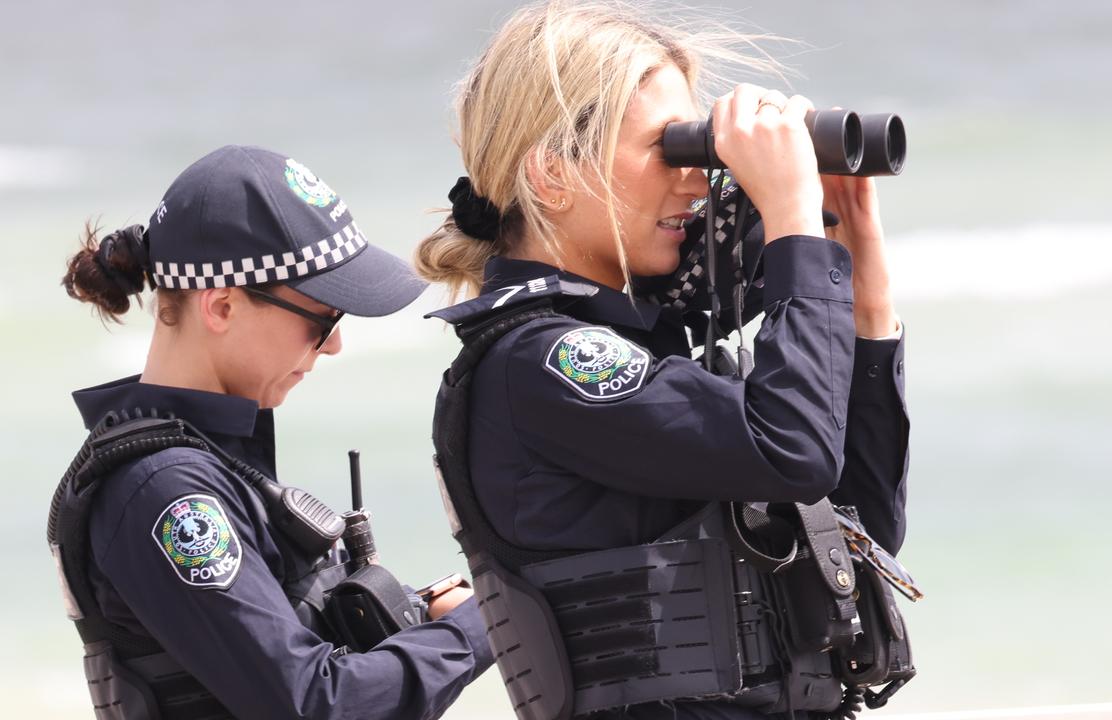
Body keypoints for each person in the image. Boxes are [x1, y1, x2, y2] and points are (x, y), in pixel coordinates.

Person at [418, 2, 909, 718]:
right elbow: (794, 453)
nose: (693, 180)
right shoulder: (543, 363)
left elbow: (862, 530)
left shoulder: (654, 350)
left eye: (698, 150)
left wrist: (862, 285)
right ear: (553, 174)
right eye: (671, 148)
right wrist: (792, 223)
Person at [53, 145, 493, 719]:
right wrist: (480, 622)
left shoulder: (208, 466)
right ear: (222, 306)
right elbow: (316, 704)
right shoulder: (167, 493)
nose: (334, 344)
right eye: (323, 316)